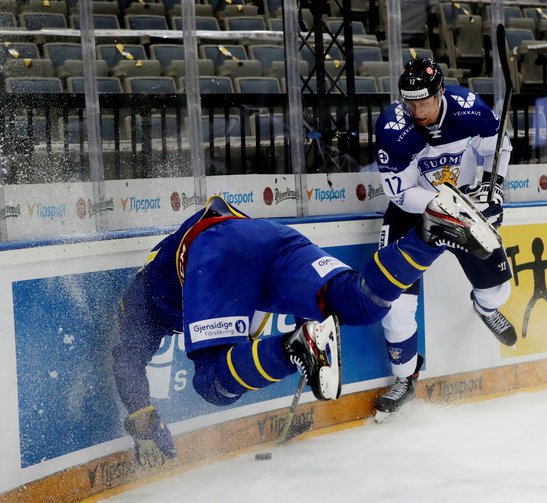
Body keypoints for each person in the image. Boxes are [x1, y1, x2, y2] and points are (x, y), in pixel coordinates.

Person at [112, 191, 499, 461]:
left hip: (218, 254)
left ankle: (294, 347)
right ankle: (431, 232)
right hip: (269, 238)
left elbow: (126, 359)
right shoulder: (169, 284)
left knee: (211, 383)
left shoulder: (141, 298)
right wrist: (307, 318)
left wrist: (142, 417)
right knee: (361, 303)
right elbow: (251, 268)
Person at [373, 57, 517, 418]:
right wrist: (444, 205)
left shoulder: (468, 108)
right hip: (413, 215)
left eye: (423, 102)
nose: (417, 110)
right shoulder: (394, 127)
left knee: (499, 290)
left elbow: (499, 148)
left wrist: (493, 190)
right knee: (394, 306)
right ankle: (405, 379)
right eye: (410, 103)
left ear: (440, 92)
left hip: (464, 207)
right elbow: (400, 193)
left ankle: (484, 307)